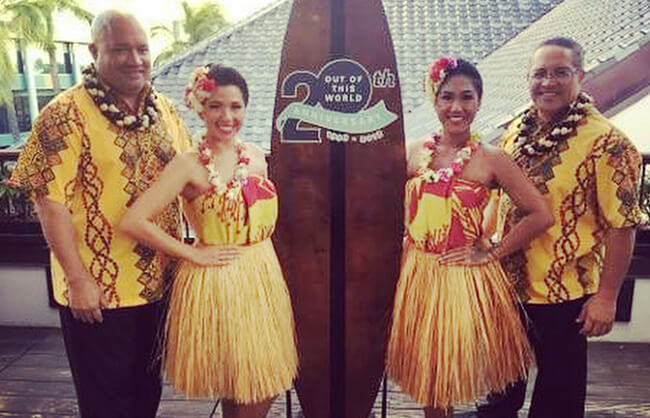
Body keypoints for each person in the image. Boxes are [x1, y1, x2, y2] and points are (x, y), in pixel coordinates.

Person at [9, 10, 192, 417]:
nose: (135, 59)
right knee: (107, 401)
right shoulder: (63, 113)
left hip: (159, 282)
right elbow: (48, 200)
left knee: (147, 392)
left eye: (142, 49)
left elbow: (190, 178)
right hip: (99, 289)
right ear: (94, 52)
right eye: (120, 49)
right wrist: (77, 279)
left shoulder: (164, 110)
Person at [476, 37, 646, 418]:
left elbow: (624, 225)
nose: (547, 82)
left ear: (580, 75)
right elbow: (496, 194)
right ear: (528, 79)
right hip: (507, 287)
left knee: (558, 400)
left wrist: (606, 297)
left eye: (560, 73)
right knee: (499, 394)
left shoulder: (608, 143)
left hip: (565, 292)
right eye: (539, 74)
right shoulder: (517, 128)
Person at [119, 64, 298, 418]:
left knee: (259, 380)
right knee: (241, 380)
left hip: (261, 275)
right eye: (216, 106)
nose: (227, 116)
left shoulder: (256, 156)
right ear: (200, 108)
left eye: (236, 106)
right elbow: (134, 220)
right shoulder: (188, 165)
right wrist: (191, 253)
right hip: (219, 280)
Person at [385, 57, 554, 418]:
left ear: (478, 102)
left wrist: (491, 252)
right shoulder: (415, 152)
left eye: (466, 97)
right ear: (435, 101)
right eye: (447, 97)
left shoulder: (492, 158)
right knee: (429, 378)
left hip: (461, 277)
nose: (456, 107)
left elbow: (540, 214)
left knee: (451, 370)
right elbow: (382, 202)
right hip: (417, 272)